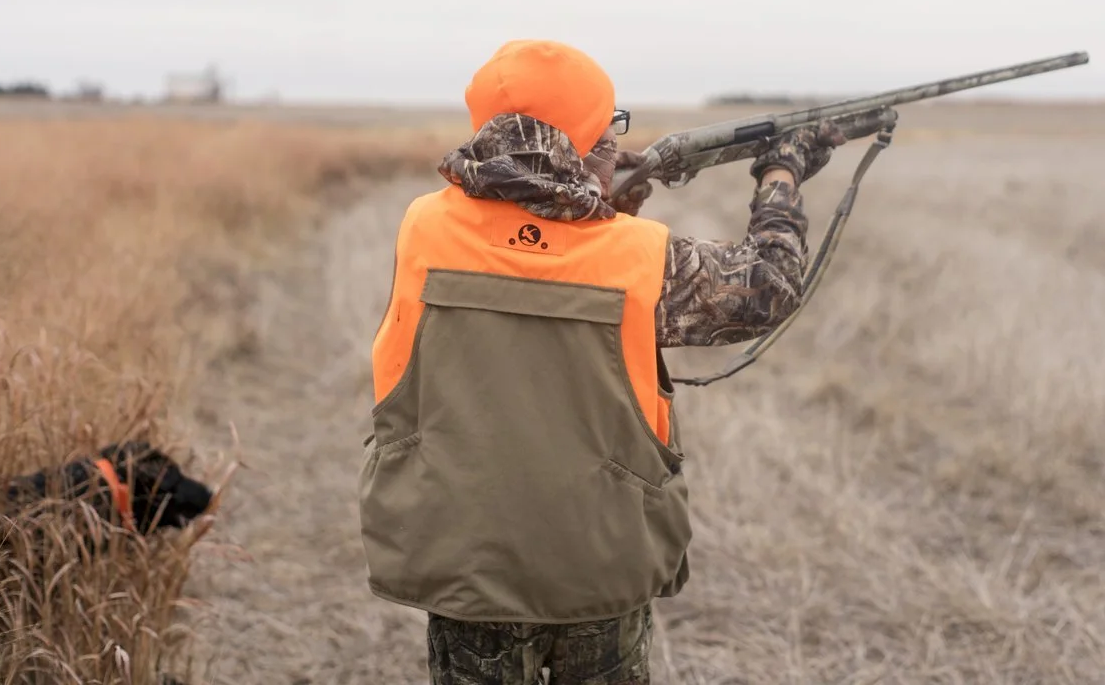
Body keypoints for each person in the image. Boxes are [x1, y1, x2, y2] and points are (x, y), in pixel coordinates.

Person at [359, 39, 844, 685]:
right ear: (581, 143)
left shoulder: (421, 229)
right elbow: (769, 285)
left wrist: (601, 192)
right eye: (610, 125)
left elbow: (529, 241)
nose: (620, 138)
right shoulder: (639, 256)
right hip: (600, 566)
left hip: (464, 564)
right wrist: (782, 173)